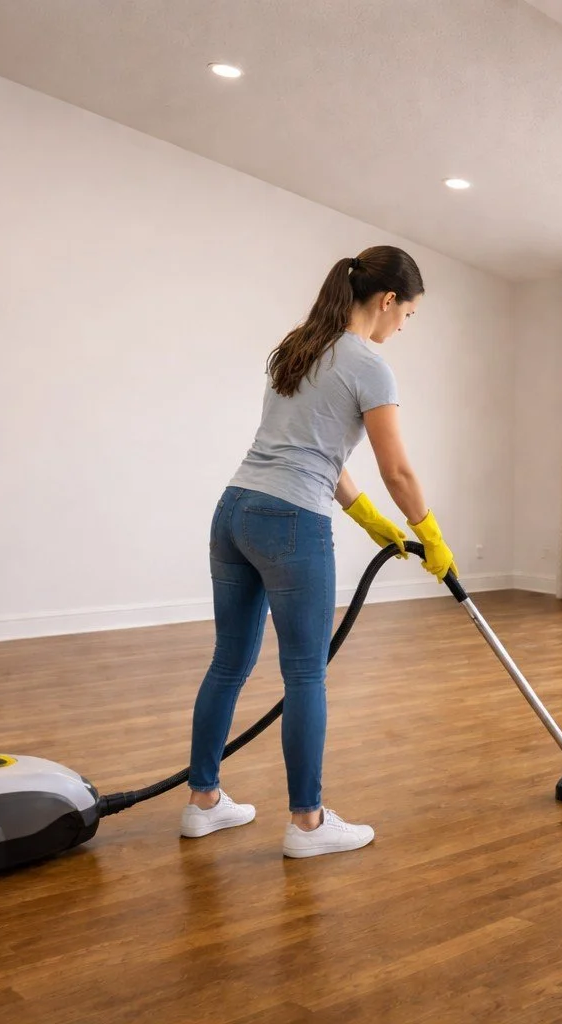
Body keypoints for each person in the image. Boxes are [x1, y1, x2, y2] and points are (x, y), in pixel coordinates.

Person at [179, 245, 456, 859]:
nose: (404, 327)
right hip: (290, 520)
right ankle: (308, 824)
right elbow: (398, 469)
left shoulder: (302, 346)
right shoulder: (369, 364)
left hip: (235, 510)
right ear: (388, 301)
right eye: (408, 314)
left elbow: (308, 449)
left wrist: (368, 519)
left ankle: (203, 803)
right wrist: (429, 532)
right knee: (304, 671)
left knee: (229, 661)